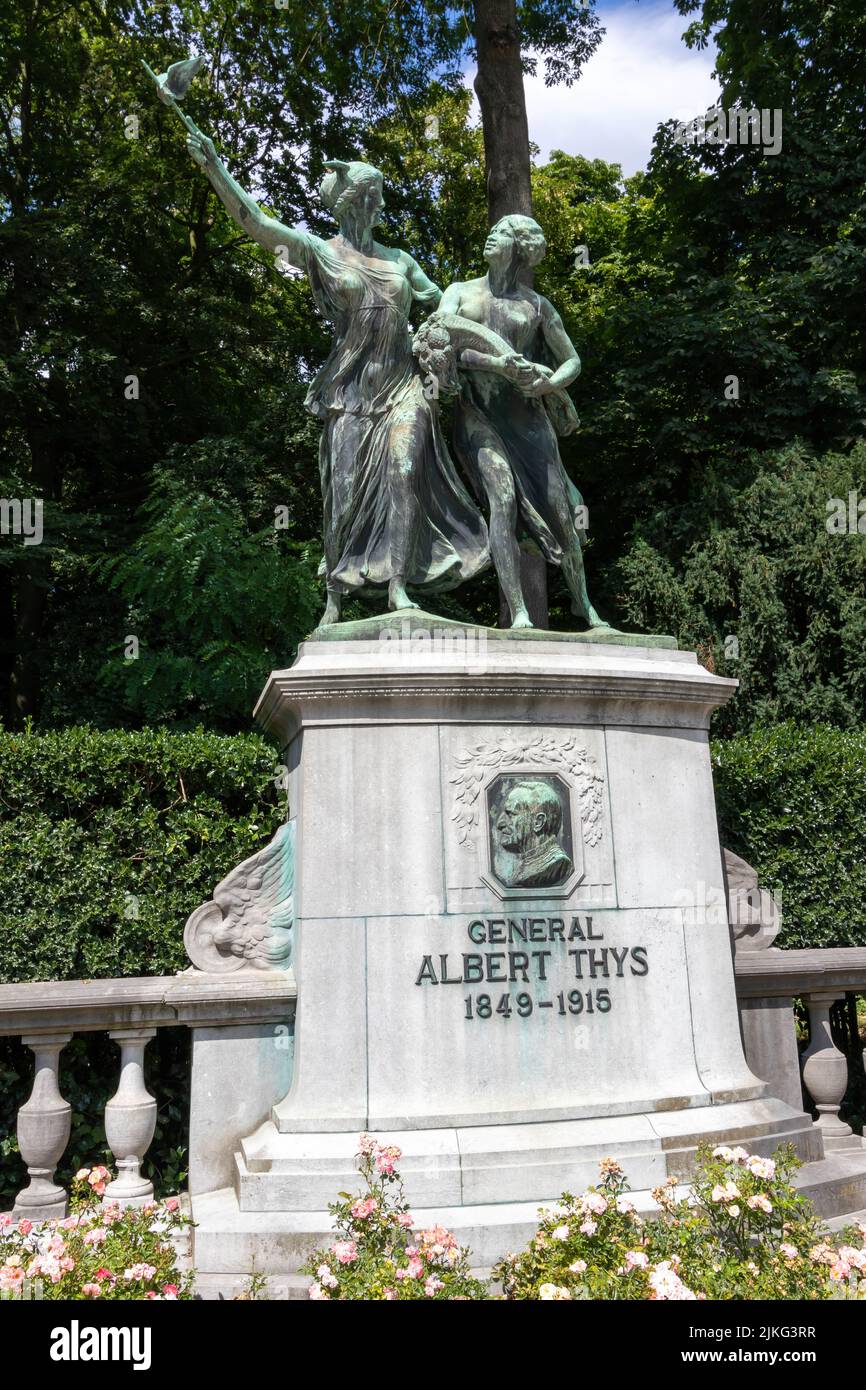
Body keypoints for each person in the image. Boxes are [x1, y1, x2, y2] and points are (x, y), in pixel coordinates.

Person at [184, 138, 488, 625]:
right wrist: (216, 167)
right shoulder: (321, 254)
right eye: (375, 196)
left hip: (404, 385)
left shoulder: (401, 261)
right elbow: (259, 223)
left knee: (405, 470)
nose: (382, 205)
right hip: (350, 393)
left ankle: (397, 585)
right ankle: (335, 595)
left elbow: (443, 301)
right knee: (341, 497)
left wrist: (474, 325)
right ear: (353, 201)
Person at [437, 214, 606, 630]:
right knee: (503, 496)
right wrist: (497, 364)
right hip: (478, 415)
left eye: (501, 232)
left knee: (561, 511)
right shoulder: (458, 293)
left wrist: (549, 384)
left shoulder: (536, 304)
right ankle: (520, 613)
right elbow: (441, 346)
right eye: (491, 229)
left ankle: (585, 605)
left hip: (529, 420)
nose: (490, 234)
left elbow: (572, 360)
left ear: (518, 247)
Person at [495, 781, 572, 888]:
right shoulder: (524, 866)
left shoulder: (557, 865)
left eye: (511, 814)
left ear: (538, 822)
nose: (500, 824)